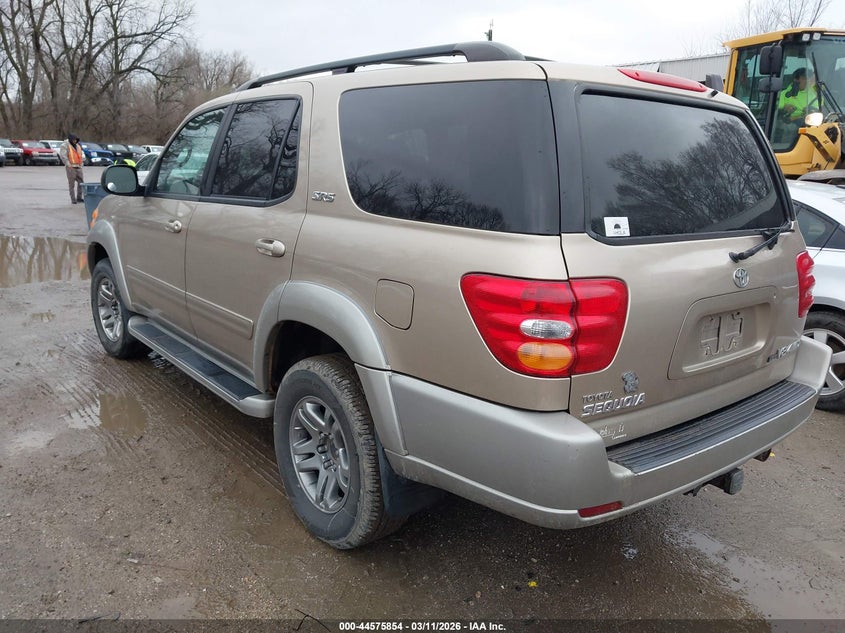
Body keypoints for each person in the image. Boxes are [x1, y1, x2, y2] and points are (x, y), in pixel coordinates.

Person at [59, 133, 85, 204]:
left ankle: (79, 198)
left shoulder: (78, 146)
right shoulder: (65, 145)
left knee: (81, 183)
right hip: (71, 167)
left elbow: (81, 155)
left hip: (78, 167)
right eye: (74, 140)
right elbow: (63, 155)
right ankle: (73, 199)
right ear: (71, 140)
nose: (75, 141)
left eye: (76, 140)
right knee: (71, 184)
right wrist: (68, 164)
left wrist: (81, 163)